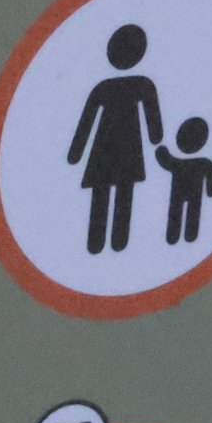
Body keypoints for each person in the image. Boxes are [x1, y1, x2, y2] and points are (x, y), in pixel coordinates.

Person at [68, 24, 165, 255]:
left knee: (105, 193)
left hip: (104, 148)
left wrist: (76, 153)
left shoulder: (105, 87)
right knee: (123, 192)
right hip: (127, 148)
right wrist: (155, 138)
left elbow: (86, 123)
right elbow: (155, 126)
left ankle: (101, 243)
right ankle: (116, 242)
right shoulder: (143, 85)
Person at [157, 117, 212, 245]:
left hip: (179, 194)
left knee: (179, 211)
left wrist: (161, 151)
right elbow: (211, 179)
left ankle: (175, 235)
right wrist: (210, 191)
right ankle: (186, 235)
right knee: (191, 211)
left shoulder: (181, 163)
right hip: (193, 194)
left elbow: (166, 161)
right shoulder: (203, 163)